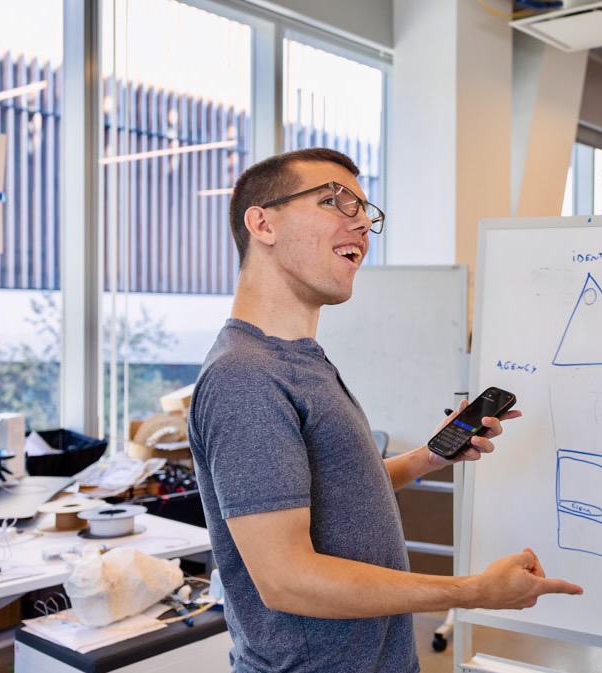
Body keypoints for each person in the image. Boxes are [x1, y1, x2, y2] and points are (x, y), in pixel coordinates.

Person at [188, 147, 582, 673]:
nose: (361, 227)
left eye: (366, 213)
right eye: (335, 202)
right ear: (262, 223)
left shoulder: (300, 361)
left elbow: (335, 492)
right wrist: (474, 591)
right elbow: (287, 580)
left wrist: (427, 457)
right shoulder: (246, 376)